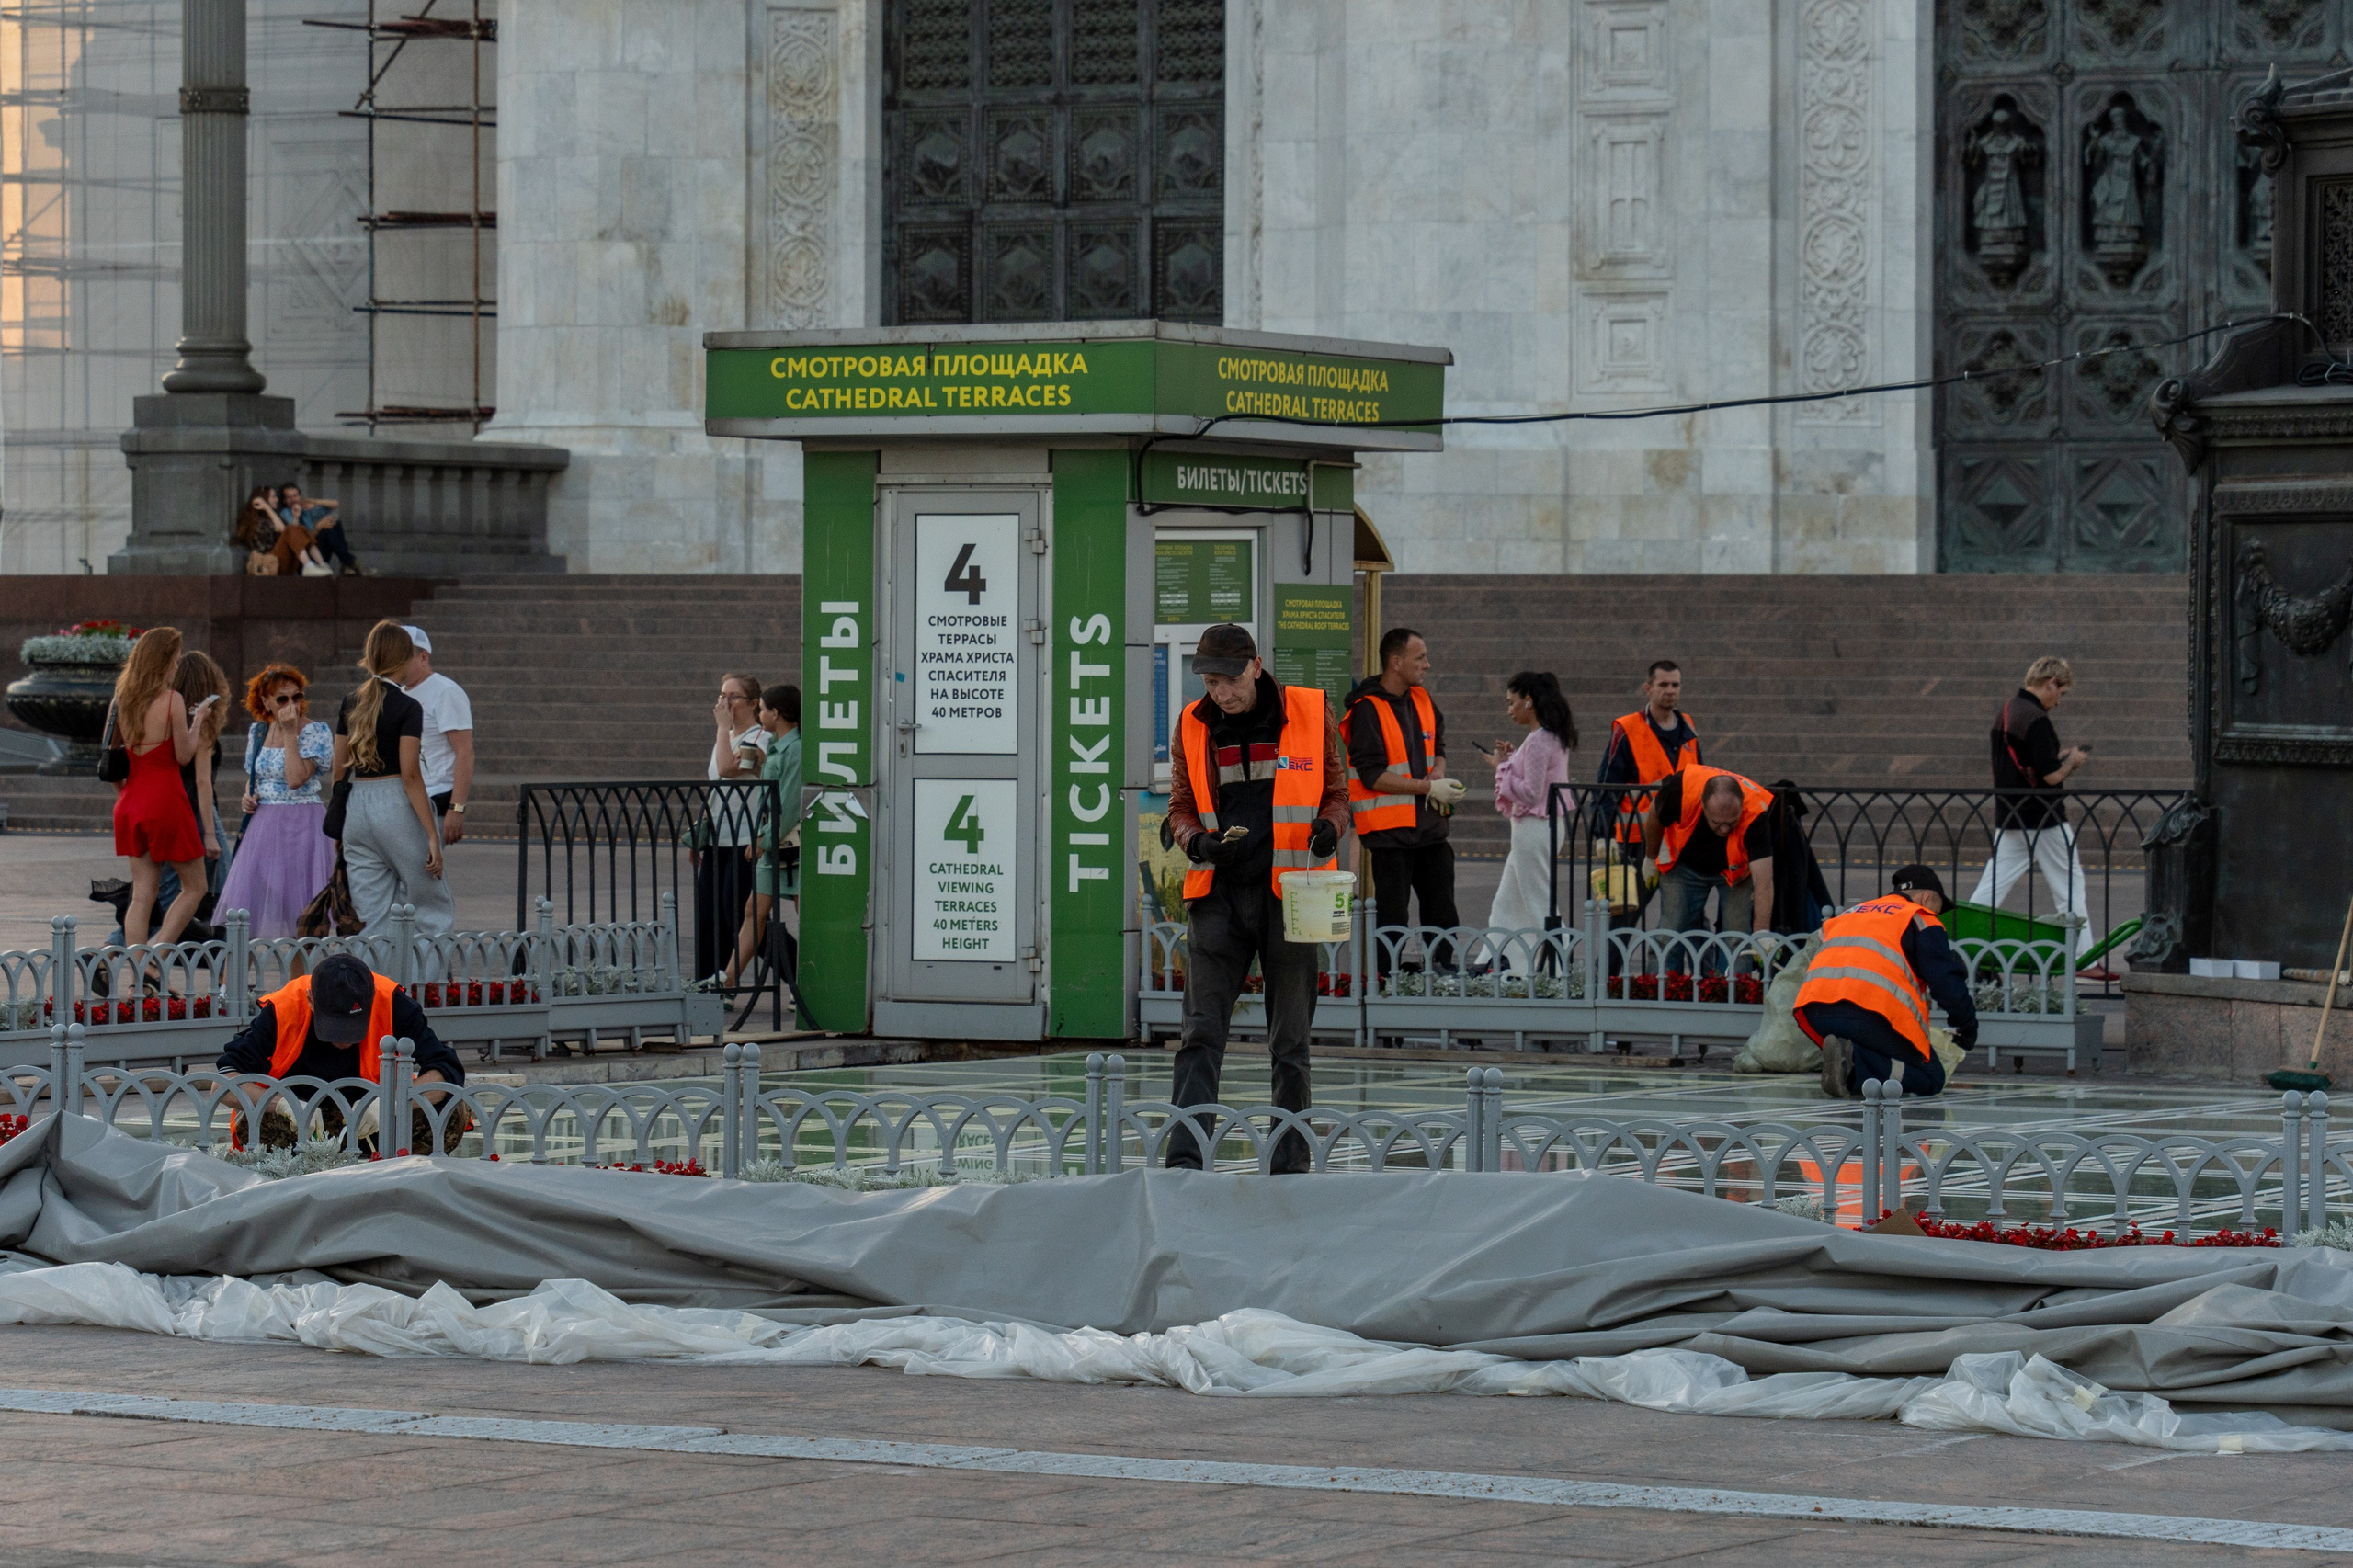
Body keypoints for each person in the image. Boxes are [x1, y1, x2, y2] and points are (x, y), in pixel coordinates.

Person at [1163, 624, 1349, 1173]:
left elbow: (1338, 796)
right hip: (1217, 895)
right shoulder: (1193, 726)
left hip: (1288, 896)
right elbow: (1180, 806)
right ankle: (1185, 1160)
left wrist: (1329, 829)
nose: (1221, 692)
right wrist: (1196, 840)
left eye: (1230, 679)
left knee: (1290, 1041)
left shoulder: (1311, 715)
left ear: (1257, 665)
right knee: (1200, 1034)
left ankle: (1289, 1163)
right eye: (1211, 682)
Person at [216, 953, 467, 1151]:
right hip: (304, 1124)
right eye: (334, 1029)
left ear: (371, 1001)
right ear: (311, 1000)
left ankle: (388, 1164)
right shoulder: (283, 1009)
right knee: (254, 1121)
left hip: (373, 1120)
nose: (345, 1042)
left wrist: (395, 1101)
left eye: (353, 1029)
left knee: (453, 1110)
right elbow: (223, 1085)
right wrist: (283, 1104)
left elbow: (445, 1070)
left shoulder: (392, 1003)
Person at [1796, 865, 1978, 1100]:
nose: (1936, 916)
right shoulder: (1920, 919)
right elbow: (1946, 982)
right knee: (1932, 1077)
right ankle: (1854, 1070)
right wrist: (1966, 1027)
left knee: (1874, 1049)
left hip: (1815, 1010)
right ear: (1927, 897)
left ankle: (1850, 1063)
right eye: (1937, 909)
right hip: (1870, 1013)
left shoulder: (1854, 912)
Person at [1346, 628, 1466, 978]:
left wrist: (1438, 775)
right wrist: (1427, 789)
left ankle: (1441, 978)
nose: (1427, 665)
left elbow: (1438, 748)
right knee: (1392, 920)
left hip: (1429, 830)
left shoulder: (1423, 700)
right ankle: (1386, 987)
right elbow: (1372, 776)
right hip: (1390, 836)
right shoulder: (1367, 710)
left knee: (1443, 914)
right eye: (1420, 658)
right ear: (1396, 662)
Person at [1968, 655, 2095, 965]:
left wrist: (2056, 757)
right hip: (2043, 817)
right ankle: (2084, 959)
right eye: (2061, 693)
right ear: (2051, 683)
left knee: (1993, 884)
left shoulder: (2008, 711)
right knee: (2069, 884)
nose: (2059, 701)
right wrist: (2072, 763)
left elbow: (2028, 762)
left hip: (2011, 814)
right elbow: (2051, 777)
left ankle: (1961, 942)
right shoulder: (2036, 718)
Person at [335, 620, 452, 937]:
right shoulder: (408, 706)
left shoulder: (350, 702)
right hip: (395, 803)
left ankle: (374, 985)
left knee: (369, 915)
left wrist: (339, 821)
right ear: (403, 659)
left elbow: (338, 768)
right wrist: (432, 834)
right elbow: (411, 775)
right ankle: (425, 984)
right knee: (430, 904)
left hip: (357, 804)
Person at [108, 628, 210, 949]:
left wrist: (127, 796)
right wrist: (198, 721)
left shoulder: (121, 700)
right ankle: (157, 953)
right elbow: (183, 755)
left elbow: (110, 761)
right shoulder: (171, 701)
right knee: (195, 887)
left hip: (130, 800)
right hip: (165, 799)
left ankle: (137, 979)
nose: (178, 666)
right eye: (175, 660)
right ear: (162, 661)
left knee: (141, 895)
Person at [220, 663, 337, 937]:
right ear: (265, 702)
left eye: (297, 697)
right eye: (282, 699)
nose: (291, 705)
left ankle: (301, 980)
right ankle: (231, 981)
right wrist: (248, 796)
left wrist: (289, 733)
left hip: (302, 823)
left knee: (302, 914)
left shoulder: (314, 731)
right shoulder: (258, 731)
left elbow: (296, 778)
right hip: (264, 824)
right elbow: (256, 777)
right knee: (248, 911)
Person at [1483, 671, 1576, 969]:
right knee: (1507, 903)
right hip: (1543, 827)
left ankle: (1558, 970)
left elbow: (1531, 793)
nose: (1509, 710)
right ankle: (1494, 962)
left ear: (1529, 701)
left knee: (1539, 902)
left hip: (1534, 829)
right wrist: (1511, 761)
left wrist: (1501, 768)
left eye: (1512, 703)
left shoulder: (1538, 740)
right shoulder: (1550, 736)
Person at [1641, 766, 1777, 963]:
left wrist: (1762, 932)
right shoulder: (1680, 791)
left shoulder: (1756, 813)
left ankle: (1734, 991)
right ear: (1703, 804)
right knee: (1668, 935)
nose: (1723, 829)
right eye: (1716, 822)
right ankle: (1660, 991)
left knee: (1737, 940)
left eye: (1731, 823)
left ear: (1741, 806)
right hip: (1683, 866)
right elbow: (1655, 813)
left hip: (1735, 872)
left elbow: (1764, 880)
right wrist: (1650, 859)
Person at [723, 684, 802, 991]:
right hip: (773, 842)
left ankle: (807, 987)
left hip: (790, 845)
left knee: (803, 912)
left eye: (764, 710)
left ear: (776, 713)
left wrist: (763, 840)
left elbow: (790, 801)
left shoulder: (795, 749)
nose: (760, 715)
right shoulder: (777, 746)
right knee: (752, 911)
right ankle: (728, 983)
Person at [1594, 659, 1700, 877]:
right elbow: (1607, 783)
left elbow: (1700, 778)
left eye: (1675, 685)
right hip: (1637, 839)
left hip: (1680, 837)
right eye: (1663, 685)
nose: (1670, 690)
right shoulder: (1628, 729)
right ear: (1648, 689)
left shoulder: (1688, 726)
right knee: (1628, 908)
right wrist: (1604, 834)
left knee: (1682, 911)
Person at [693, 672, 767, 982]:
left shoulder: (761, 738)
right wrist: (701, 833)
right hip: (719, 838)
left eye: (733, 697)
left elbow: (727, 769)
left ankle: (794, 969)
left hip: (746, 840)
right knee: (709, 916)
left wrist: (723, 728)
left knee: (739, 915)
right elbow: (716, 786)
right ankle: (709, 982)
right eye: (722, 696)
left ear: (753, 703)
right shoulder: (725, 737)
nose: (725, 703)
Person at [400, 625, 474, 845]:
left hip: (435, 798)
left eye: (403, 657)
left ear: (423, 657)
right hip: (407, 798)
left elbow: (465, 752)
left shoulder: (445, 691)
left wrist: (456, 807)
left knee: (425, 871)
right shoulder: (399, 693)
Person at [233, 484, 326, 575]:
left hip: (284, 562)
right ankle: (308, 566)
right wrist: (267, 507)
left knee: (301, 528)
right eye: (273, 497)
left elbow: (294, 536)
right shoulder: (258, 522)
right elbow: (283, 530)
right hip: (269, 563)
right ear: (264, 499)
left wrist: (295, 518)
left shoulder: (274, 518)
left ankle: (322, 564)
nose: (277, 500)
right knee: (291, 529)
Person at [278, 483, 360, 575]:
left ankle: (347, 562)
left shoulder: (305, 509)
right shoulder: (286, 513)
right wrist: (318, 527)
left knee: (335, 522)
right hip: (303, 561)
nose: (293, 500)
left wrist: (315, 502)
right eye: (289, 497)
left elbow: (335, 504)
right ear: (284, 501)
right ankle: (349, 562)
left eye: (295, 496)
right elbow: (299, 540)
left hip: (317, 554)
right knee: (326, 531)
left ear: (300, 496)